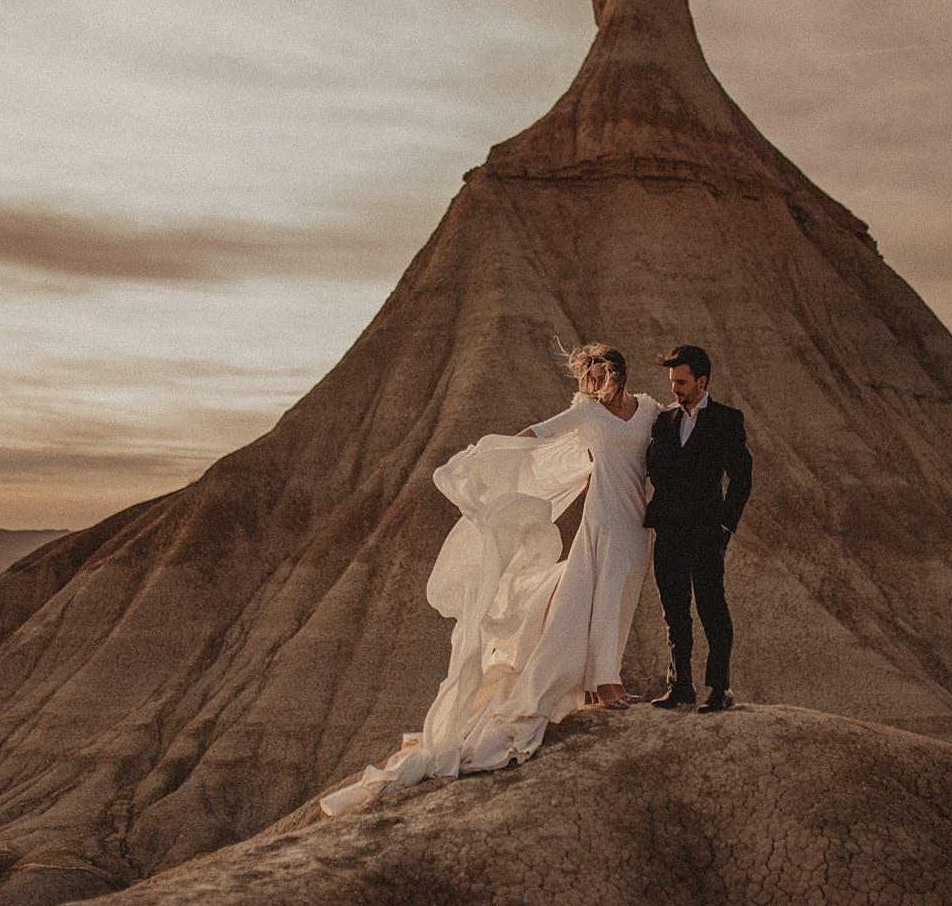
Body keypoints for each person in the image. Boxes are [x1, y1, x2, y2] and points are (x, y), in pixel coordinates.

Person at [320, 342, 661, 816]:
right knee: (600, 593)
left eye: (598, 372)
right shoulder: (584, 412)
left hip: (636, 519)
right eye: (588, 375)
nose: (593, 381)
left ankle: (609, 674)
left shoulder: (648, 410)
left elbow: (676, 438)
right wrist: (491, 455)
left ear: (617, 371)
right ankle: (606, 683)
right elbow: (537, 435)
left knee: (622, 595)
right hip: (600, 517)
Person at [645, 344, 752, 714]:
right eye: (672, 381)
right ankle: (681, 686)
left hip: (707, 531)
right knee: (674, 611)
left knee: (711, 608)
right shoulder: (664, 420)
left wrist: (726, 523)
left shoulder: (727, 419)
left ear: (701, 381)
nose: (674, 388)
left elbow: (742, 476)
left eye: (681, 381)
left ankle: (720, 688)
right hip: (668, 531)